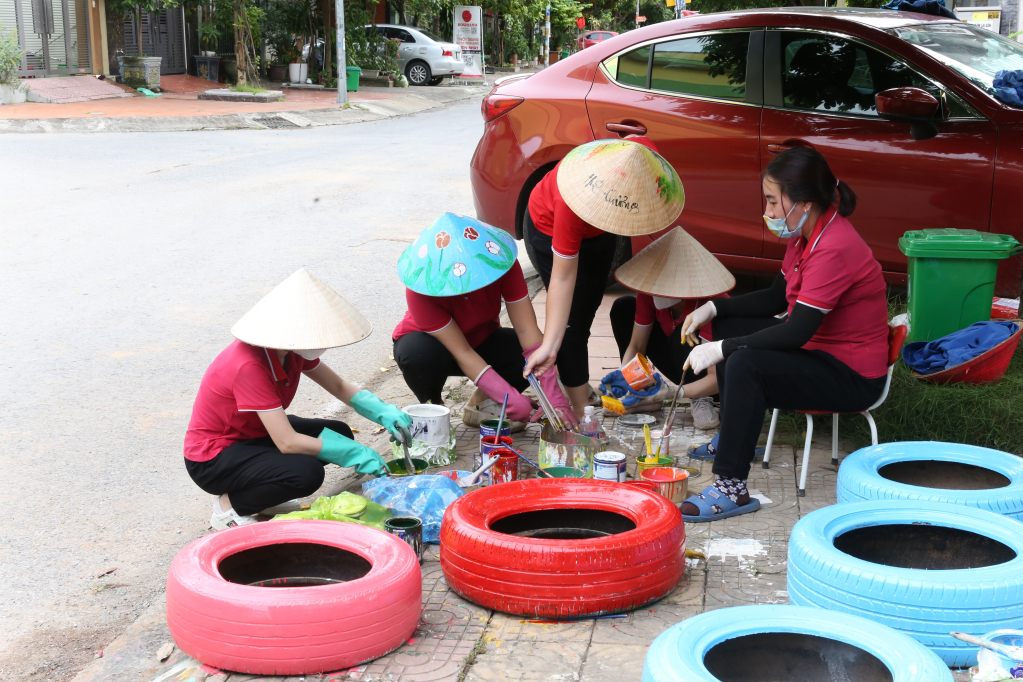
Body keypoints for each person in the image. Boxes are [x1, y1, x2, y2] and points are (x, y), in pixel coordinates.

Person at [677, 147, 889, 522]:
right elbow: (777, 297)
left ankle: (731, 486)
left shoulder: (834, 247)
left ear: (804, 201)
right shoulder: (806, 234)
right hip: (821, 350)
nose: (769, 212)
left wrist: (723, 348)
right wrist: (715, 309)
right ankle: (733, 439)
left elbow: (796, 331)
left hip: (851, 376)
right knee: (732, 331)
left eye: (773, 201)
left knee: (743, 359)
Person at [184, 268, 412, 531]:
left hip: (251, 434)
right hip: (215, 457)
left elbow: (338, 385)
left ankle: (264, 496)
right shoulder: (248, 365)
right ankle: (230, 506)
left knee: (339, 433)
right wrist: (354, 453)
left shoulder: (289, 350)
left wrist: (381, 411)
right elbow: (287, 441)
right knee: (307, 474)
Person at [522, 138, 686, 417]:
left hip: (600, 231)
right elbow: (563, 280)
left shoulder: (640, 155)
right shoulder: (569, 201)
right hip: (549, 227)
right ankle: (580, 410)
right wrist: (550, 346)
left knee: (587, 306)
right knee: (571, 322)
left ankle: (577, 383)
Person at [392, 213, 575, 427]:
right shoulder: (420, 289)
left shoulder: (502, 265)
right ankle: (433, 408)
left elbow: (528, 332)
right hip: (434, 348)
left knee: (548, 347)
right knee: (420, 356)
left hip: (481, 339)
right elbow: (462, 352)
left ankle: (480, 402)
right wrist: (508, 396)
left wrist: (552, 394)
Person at [606, 227, 732, 429]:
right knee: (623, 308)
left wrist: (676, 393)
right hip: (677, 362)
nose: (655, 291)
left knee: (684, 330)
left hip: (714, 379)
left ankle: (702, 399)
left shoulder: (711, 303)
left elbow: (716, 376)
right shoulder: (648, 294)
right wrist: (626, 379)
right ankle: (643, 391)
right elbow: (637, 344)